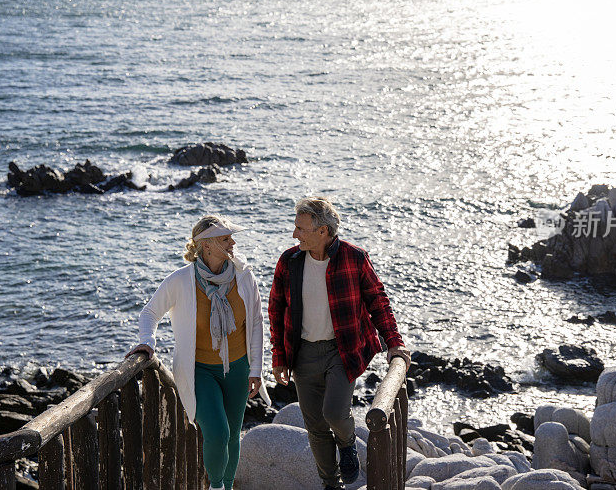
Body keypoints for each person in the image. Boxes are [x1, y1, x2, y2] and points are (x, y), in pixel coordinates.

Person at [268, 197, 411, 490]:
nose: (295, 234)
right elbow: (276, 309)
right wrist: (279, 356)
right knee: (316, 427)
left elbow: (377, 301)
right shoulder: (289, 262)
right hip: (303, 353)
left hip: (342, 349)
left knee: (334, 413)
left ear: (323, 231)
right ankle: (331, 484)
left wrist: (394, 342)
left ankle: (347, 443)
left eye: (301, 229)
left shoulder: (354, 258)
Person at [126, 215, 269, 490]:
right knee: (217, 433)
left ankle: (227, 485)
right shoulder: (180, 281)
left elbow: (256, 323)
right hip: (198, 371)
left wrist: (256, 370)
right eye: (225, 238)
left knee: (232, 437)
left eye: (231, 237)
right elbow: (150, 312)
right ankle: (216, 486)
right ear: (206, 245)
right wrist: (148, 341)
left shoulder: (244, 275)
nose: (233, 242)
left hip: (238, 368)